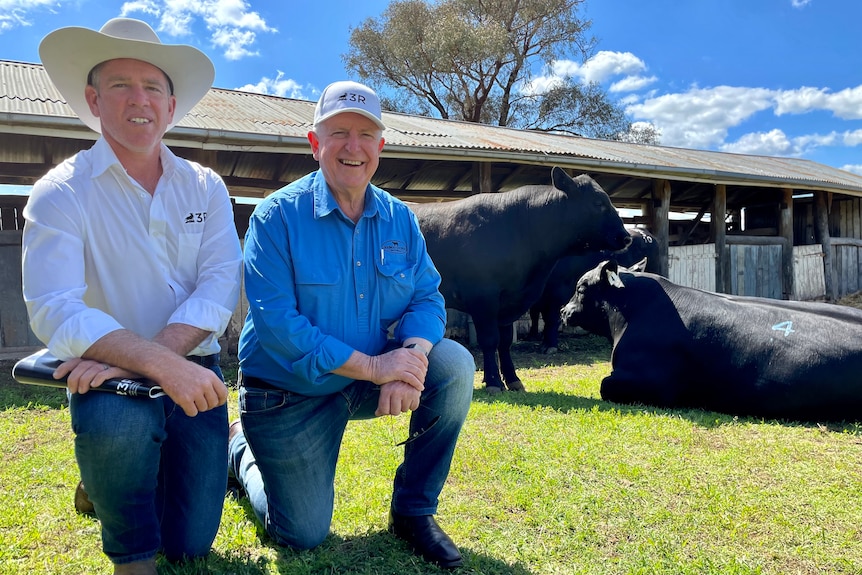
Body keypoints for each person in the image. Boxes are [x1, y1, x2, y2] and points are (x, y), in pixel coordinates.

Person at [22, 18, 243, 575]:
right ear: (94, 99)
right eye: (120, 85)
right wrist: (154, 365)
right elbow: (53, 304)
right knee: (116, 427)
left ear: (171, 106)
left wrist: (162, 361)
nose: (138, 100)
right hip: (113, 379)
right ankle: (128, 553)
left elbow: (220, 279)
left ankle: (105, 479)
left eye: (153, 88)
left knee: (191, 544)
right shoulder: (60, 191)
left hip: (183, 365)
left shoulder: (206, 185)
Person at [228, 80, 475, 569]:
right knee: (300, 533)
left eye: (366, 134)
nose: (353, 146)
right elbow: (278, 326)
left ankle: (413, 511)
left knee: (454, 364)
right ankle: (237, 449)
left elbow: (427, 296)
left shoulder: (400, 219)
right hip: (288, 392)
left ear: (381, 147)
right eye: (338, 132)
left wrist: (411, 360)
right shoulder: (275, 217)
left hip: (366, 379)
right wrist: (376, 367)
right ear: (314, 143)